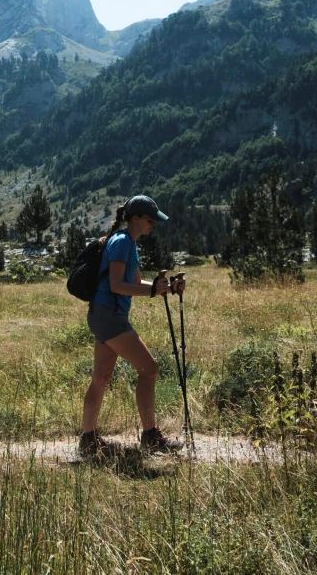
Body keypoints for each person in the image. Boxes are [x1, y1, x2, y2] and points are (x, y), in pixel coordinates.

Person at [79, 195, 184, 456]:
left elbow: (136, 284)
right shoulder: (123, 242)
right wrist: (152, 293)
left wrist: (165, 288)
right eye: (150, 220)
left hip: (105, 314)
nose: (153, 225)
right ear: (135, 218)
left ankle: (88, 440)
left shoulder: (128, 244)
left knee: (101, 378)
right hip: (110, 316)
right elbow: (117, 285)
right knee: (149, 369)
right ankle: (150, 436)